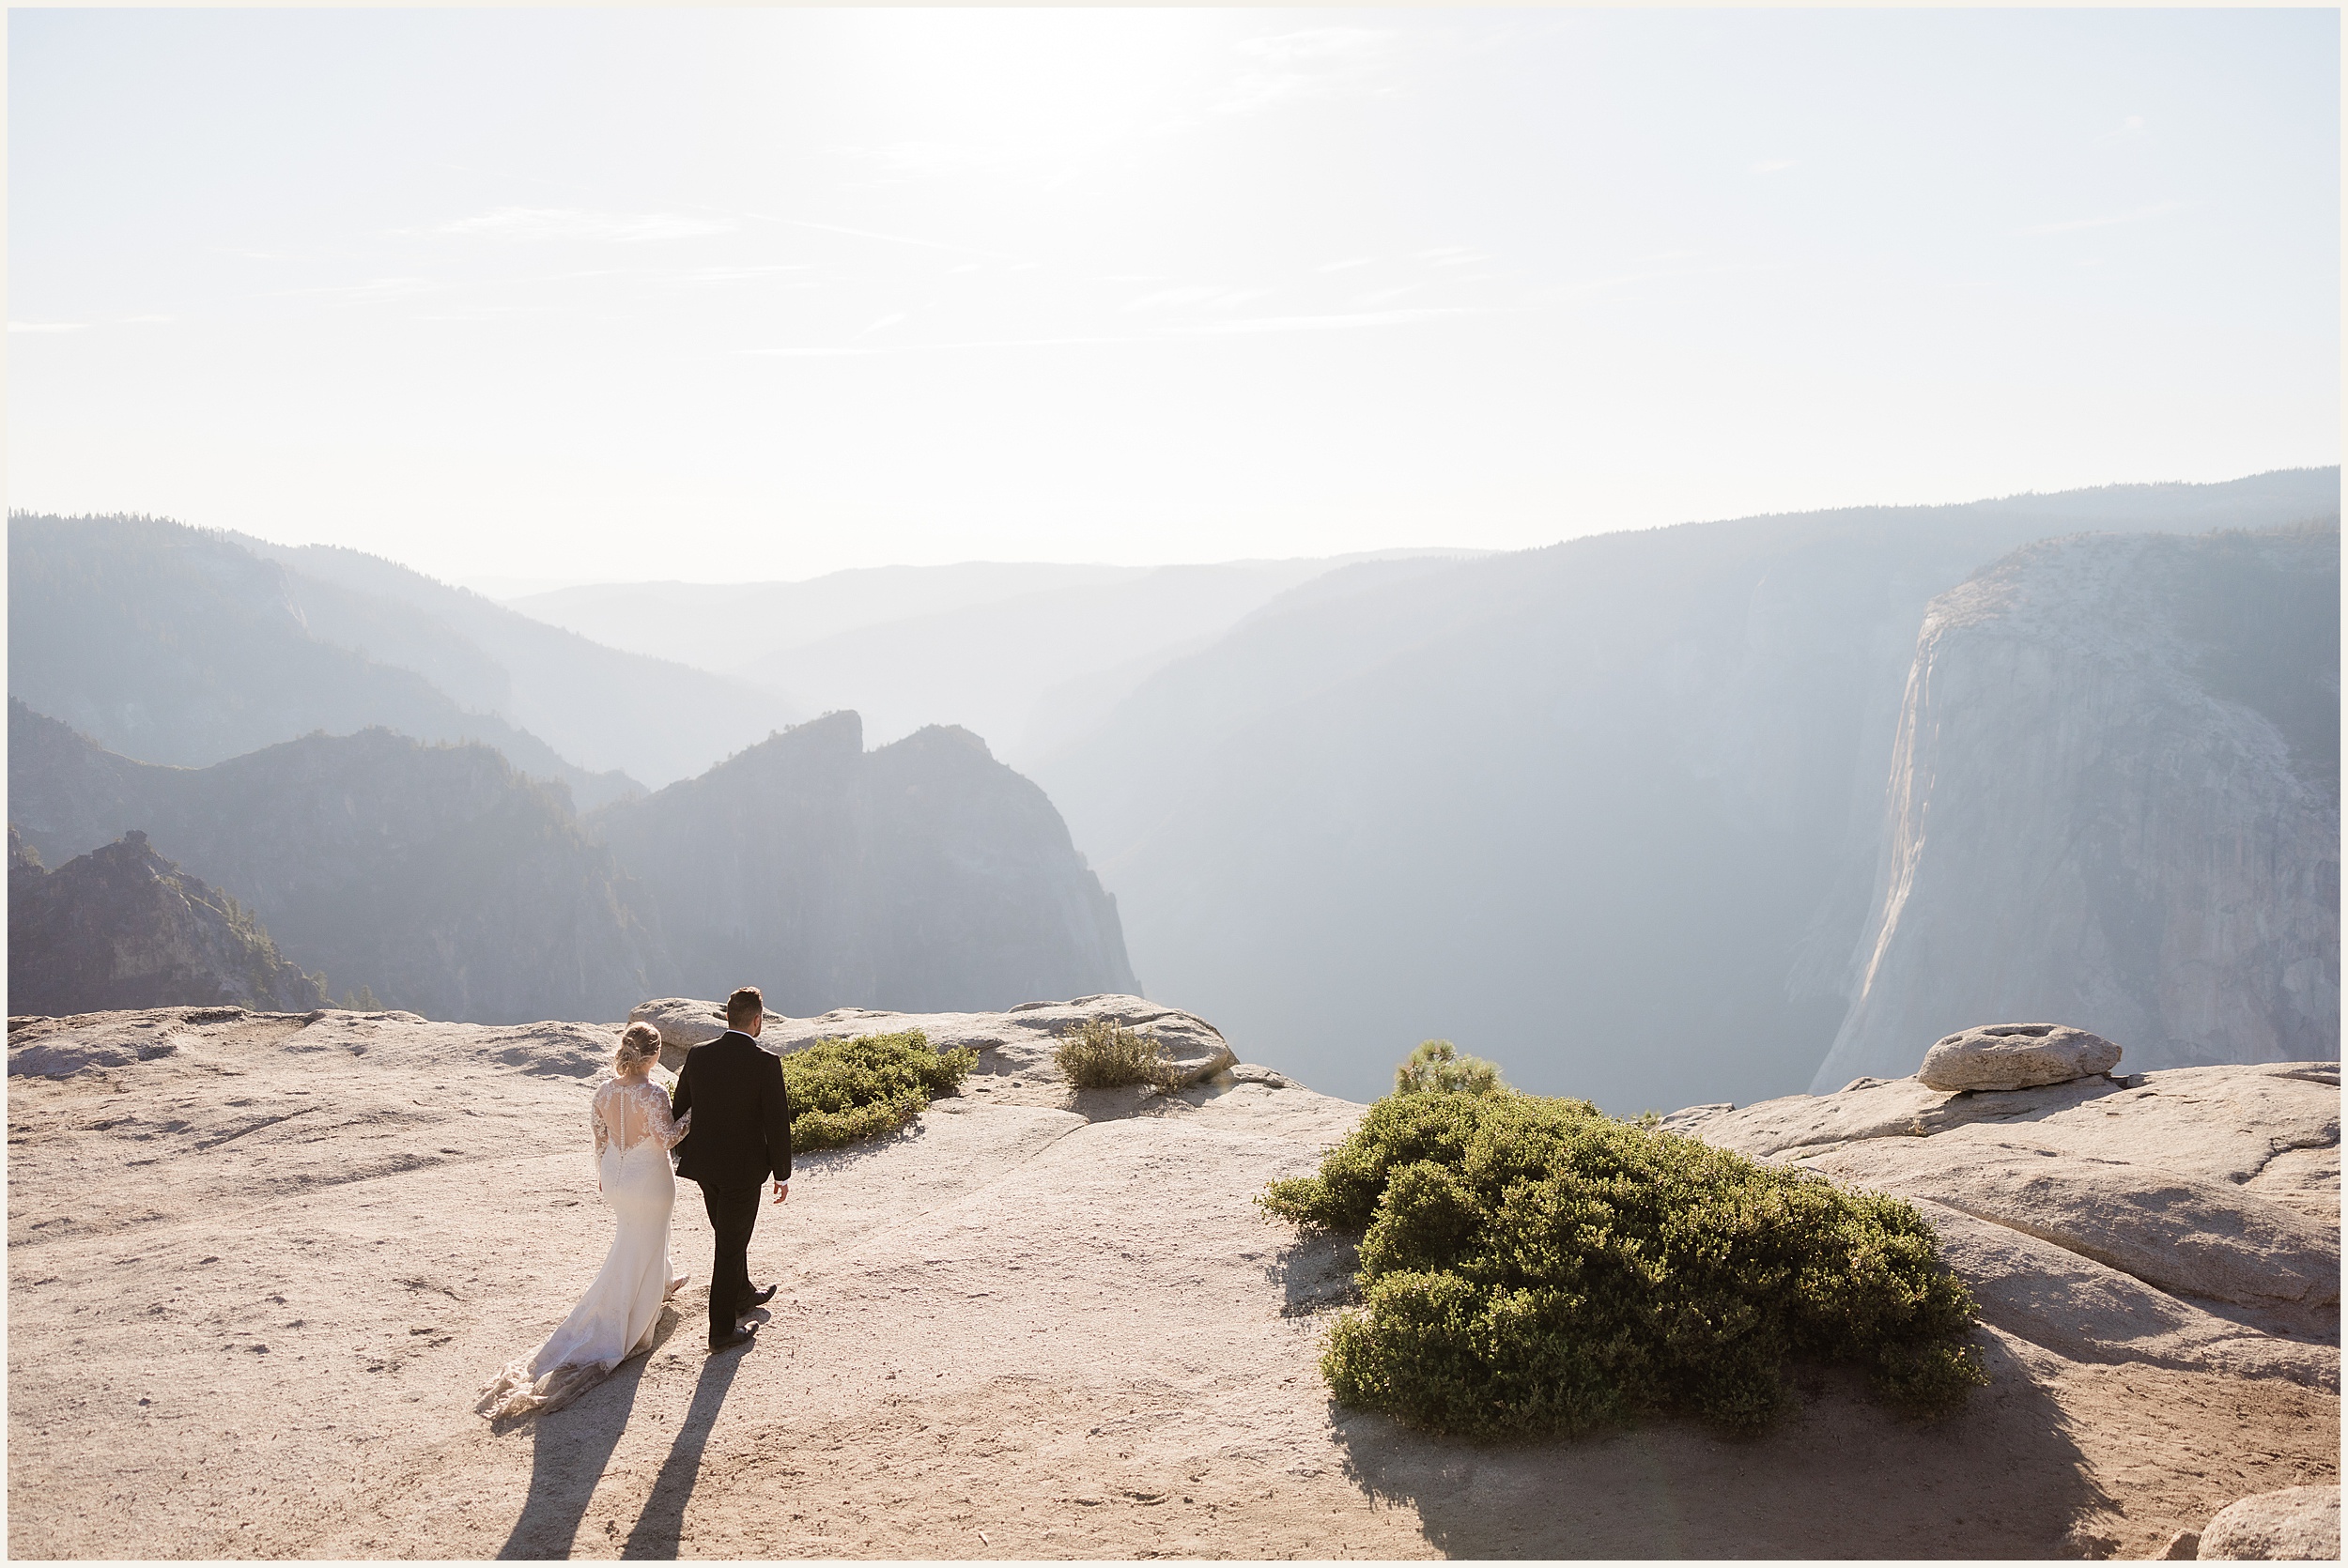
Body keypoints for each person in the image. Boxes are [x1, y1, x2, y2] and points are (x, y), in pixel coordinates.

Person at [475, 1022, 692, 1418]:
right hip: (649, 1179)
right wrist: (695, 1114)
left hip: (615, 1176)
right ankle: (633, 1313)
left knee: (634, 1237)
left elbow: (599, 1138)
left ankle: (664, 1280)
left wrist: (603, 1175)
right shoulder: (654, 1092)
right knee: (644, 1239)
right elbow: (666, 1138)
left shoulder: (604, 1091)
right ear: (655, 1055)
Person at [672, 985, 793, 1353]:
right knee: (729, 1244)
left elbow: (680, 1110)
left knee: (729, 1234)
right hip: (744, 1172)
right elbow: (777, 1122)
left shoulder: (698, 1055)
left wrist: (692, 1154)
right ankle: (721, 1331)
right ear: (757, 1021)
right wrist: (781, 1173)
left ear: (727, 1016)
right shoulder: (765, 1062)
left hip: (706, 1169)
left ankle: (742, 1293)